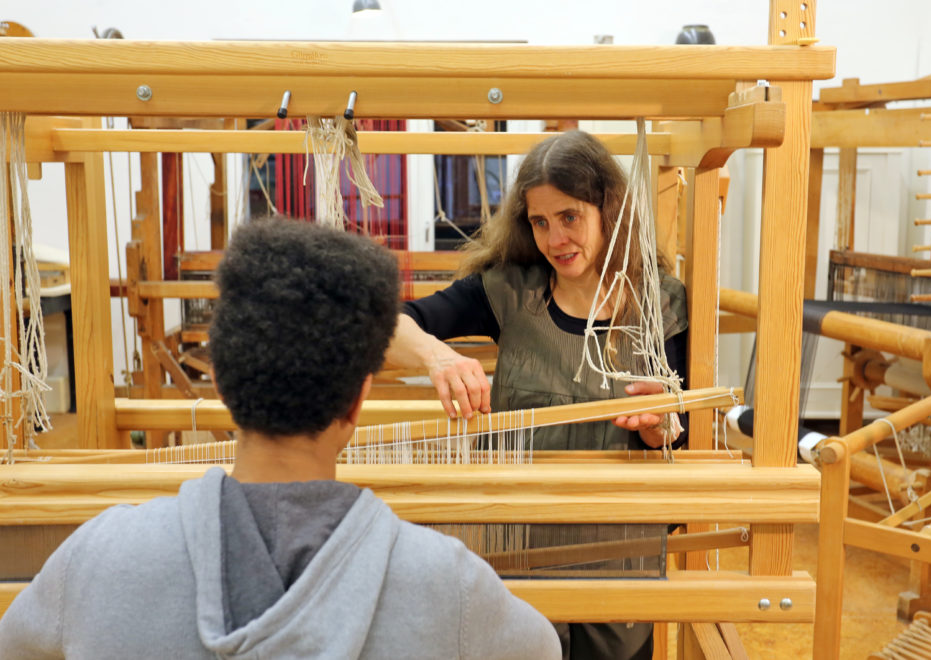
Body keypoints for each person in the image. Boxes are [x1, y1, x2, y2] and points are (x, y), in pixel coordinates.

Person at [0, 218, 561, 660]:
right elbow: (542, 650)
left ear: (218, 379)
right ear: (358, 399)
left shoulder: (100, 559)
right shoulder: (447, 586)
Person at [385, 130, 689, 659]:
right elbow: (389, 323)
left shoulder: (661, 303)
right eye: (540, 222)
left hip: (620, 557)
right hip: (514, 552)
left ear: (607, 210)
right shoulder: (507, 291)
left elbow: (681, 440)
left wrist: (663, 429)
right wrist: (437, 355)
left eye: (570, 217)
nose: (555, 239)